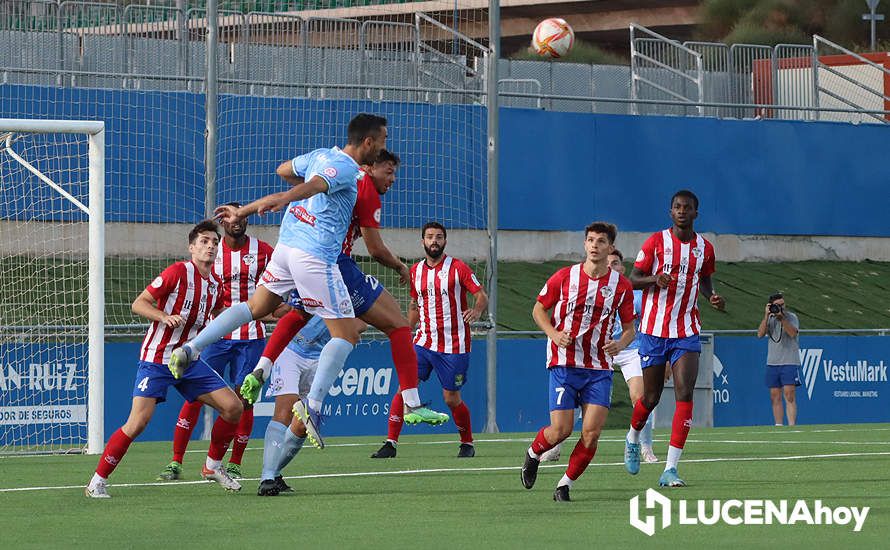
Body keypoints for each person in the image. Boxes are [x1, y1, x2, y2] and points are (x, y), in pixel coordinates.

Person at [169, 114, 389, 453]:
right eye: (383, 141)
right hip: (314, 256)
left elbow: (285, 168)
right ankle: (313, 407)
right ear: (368, 143)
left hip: (286, 249)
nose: (384, 149)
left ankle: (190, 348)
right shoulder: (347, 168)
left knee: (256, 307)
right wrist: (286, 198)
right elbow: (312, 185)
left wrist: (249, 210)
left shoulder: (319, 155)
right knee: (346, 334)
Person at [238, 150, 449, 449]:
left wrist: (306, 178)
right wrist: (402, 266)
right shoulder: (364, 187)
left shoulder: (336, 174)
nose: (392, 179)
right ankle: (409, 403)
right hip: (332, 263)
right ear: (369, 165)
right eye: (388, 172)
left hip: (302, 256)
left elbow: (283, 168)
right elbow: (375, 248)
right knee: (398, 326)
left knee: (299, 313)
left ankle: (263, 368)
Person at [85, 221, 244, 498]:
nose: (210, 246)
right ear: (191, 247)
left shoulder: (215, 285)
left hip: (189, 361)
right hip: (157, 359)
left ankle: (212, 466)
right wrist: (164, 317)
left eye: (214, 242)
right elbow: (139, 303)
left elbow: (221, 316)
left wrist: (268, 314)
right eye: (204, 241)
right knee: (137, 423)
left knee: (234, 407)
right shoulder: (177, 272)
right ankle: (97, 481)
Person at [520, 222, 635, 502]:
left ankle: (564, 485)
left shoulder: (621, 286)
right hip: (564, 363)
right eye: (590, 240)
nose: (595, 245)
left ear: (610, 249)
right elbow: (538, 309)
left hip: (598, 368)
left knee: (592, 433)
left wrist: (619, 344)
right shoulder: (565, 277)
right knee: (560, 430)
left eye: (601, 241)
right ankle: (533, 454)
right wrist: (554, 333)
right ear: (585, 244)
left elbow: (630, 328)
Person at [158, 205, 274, 481]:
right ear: (222, 222)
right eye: (232, 217)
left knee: (245, 399)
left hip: (252, 336)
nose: (238, 221)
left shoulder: (264, 252)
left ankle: (233, 462)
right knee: (196, 395)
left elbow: (279, 286)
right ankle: (176, 461)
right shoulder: (211, 252)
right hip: (217, 337)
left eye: (243, 216)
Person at [623, 189, 725, 488]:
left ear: (695, 213)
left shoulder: (704, 248)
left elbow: (704, 279)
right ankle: (632, 437)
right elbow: (632, 279)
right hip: (654, 331)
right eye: (677, 207)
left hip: (687, 330)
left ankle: (670, 469)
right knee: (651, 398)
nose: (682, 211)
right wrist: (655, 279)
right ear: (671, 213)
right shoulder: (656, 242)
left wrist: (712, 296)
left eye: (687, 207)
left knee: (684, 393)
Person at [371, 221, 489, 459]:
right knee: (404, 387)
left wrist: (477, 310)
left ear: (444, 241)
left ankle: (467, 443)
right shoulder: (415, 271)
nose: (434, 241)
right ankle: (390, 443)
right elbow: (416, 305)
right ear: (423, 241)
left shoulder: (458, 268)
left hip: (454, 345)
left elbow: (481, 295)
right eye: (429, 237)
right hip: (423, 342)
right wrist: (405, 330)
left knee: (451, 398)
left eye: (438, 237)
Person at [539, 249, 657, 464]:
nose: (611, 267)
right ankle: (556, 446)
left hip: (629, 350)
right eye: (608, 263)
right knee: (574, 406)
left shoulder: (629, 292)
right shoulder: (586, 286)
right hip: (595, 352)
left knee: (641, 397)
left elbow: (646, 326)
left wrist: (638, 350)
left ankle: (643, 445)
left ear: (622, 268)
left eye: (616, 263)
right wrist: (556, 335)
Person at [256, 310, 368, 496]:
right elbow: (279, 309)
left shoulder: (352, 290)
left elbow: (361, 324)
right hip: (290, 351)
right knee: (284, 410)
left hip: (322, 359)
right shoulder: (313, 283)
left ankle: (275, 474)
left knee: (301, 425)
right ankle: (266, 478)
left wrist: (341, 324)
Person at [757, 292, 801, 426]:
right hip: (773, 362)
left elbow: (793, 333)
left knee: (789, 395)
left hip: (789, 360)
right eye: (778, 305)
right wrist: (766, 315)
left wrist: (782, 319)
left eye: (783, 304)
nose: (781, 307)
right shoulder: (769, 318)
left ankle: (792, 425)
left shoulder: (791, 317)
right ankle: (778, 426)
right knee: (774, 396)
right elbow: (760, 334)